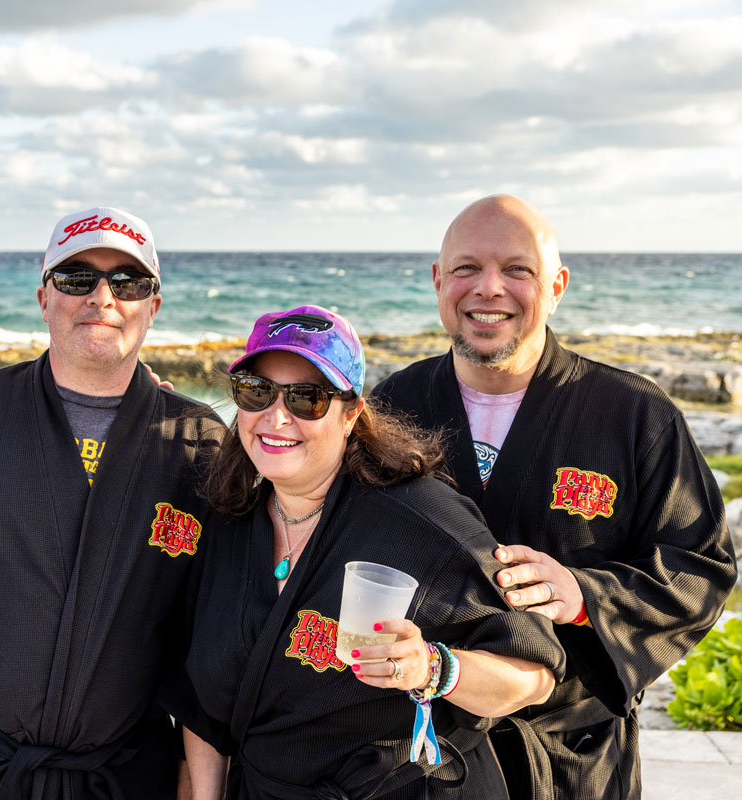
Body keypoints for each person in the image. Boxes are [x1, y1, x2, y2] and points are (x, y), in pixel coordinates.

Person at [372, 195, 737, 800]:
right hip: (417, 751)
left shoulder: (635, 416)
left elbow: (703, 570)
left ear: (557, 285)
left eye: (518, 269)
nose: (489, 289)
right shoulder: (391, 409)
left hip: (572, 758)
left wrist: (584, 596)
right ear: (438, 281)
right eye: (466, 268)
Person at [0, 206, 225, 799]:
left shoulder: (199, 443)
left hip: (126, 776)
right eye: (76, 277)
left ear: (153, 308)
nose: (103, 297)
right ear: (43, 298)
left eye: (129, 282)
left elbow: (208, 636)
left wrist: (200, 781)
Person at [177, 305, 566, 799]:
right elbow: (201, 708)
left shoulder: (421, 519)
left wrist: (433, 667)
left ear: (352, 413)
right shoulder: (229, 522)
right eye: (257, 392)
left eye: (308, 399)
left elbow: (534, 675)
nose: (276, 416)